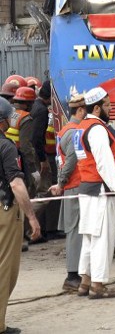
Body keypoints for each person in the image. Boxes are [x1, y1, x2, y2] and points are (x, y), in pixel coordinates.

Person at [76, 87, 115, 298]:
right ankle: (98, 285)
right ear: (97, 108)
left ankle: (85, 281)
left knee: (90, 236)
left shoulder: (82, 127)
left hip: (88, 189)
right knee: (102, 238)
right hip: (101, 190)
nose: (111, 109)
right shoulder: (97, 129)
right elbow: (104, 162)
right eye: (108, 105)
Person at [0, 96, 40, 334]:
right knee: (5, 269)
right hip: (5, 211)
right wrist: (32, 217)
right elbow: (16, 183)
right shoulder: (6, 146)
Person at [47, 94, 87, 293]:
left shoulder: (65, 130)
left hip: (71, 186)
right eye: (86, 110)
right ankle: (73, 276)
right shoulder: (74, 132)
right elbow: (71, 161)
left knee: (76, 230)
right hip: (75, 186)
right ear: (80, 111)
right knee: (75, 232)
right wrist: (61, 183)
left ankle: (77, 274)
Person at [30, 80, 59, 237]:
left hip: (40, 154)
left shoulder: (36, 106)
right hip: (42, 155)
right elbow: (36, 138)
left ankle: (44, 230)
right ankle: (28, 228)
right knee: (45, 191)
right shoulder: (41, 110)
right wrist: (43, 159)